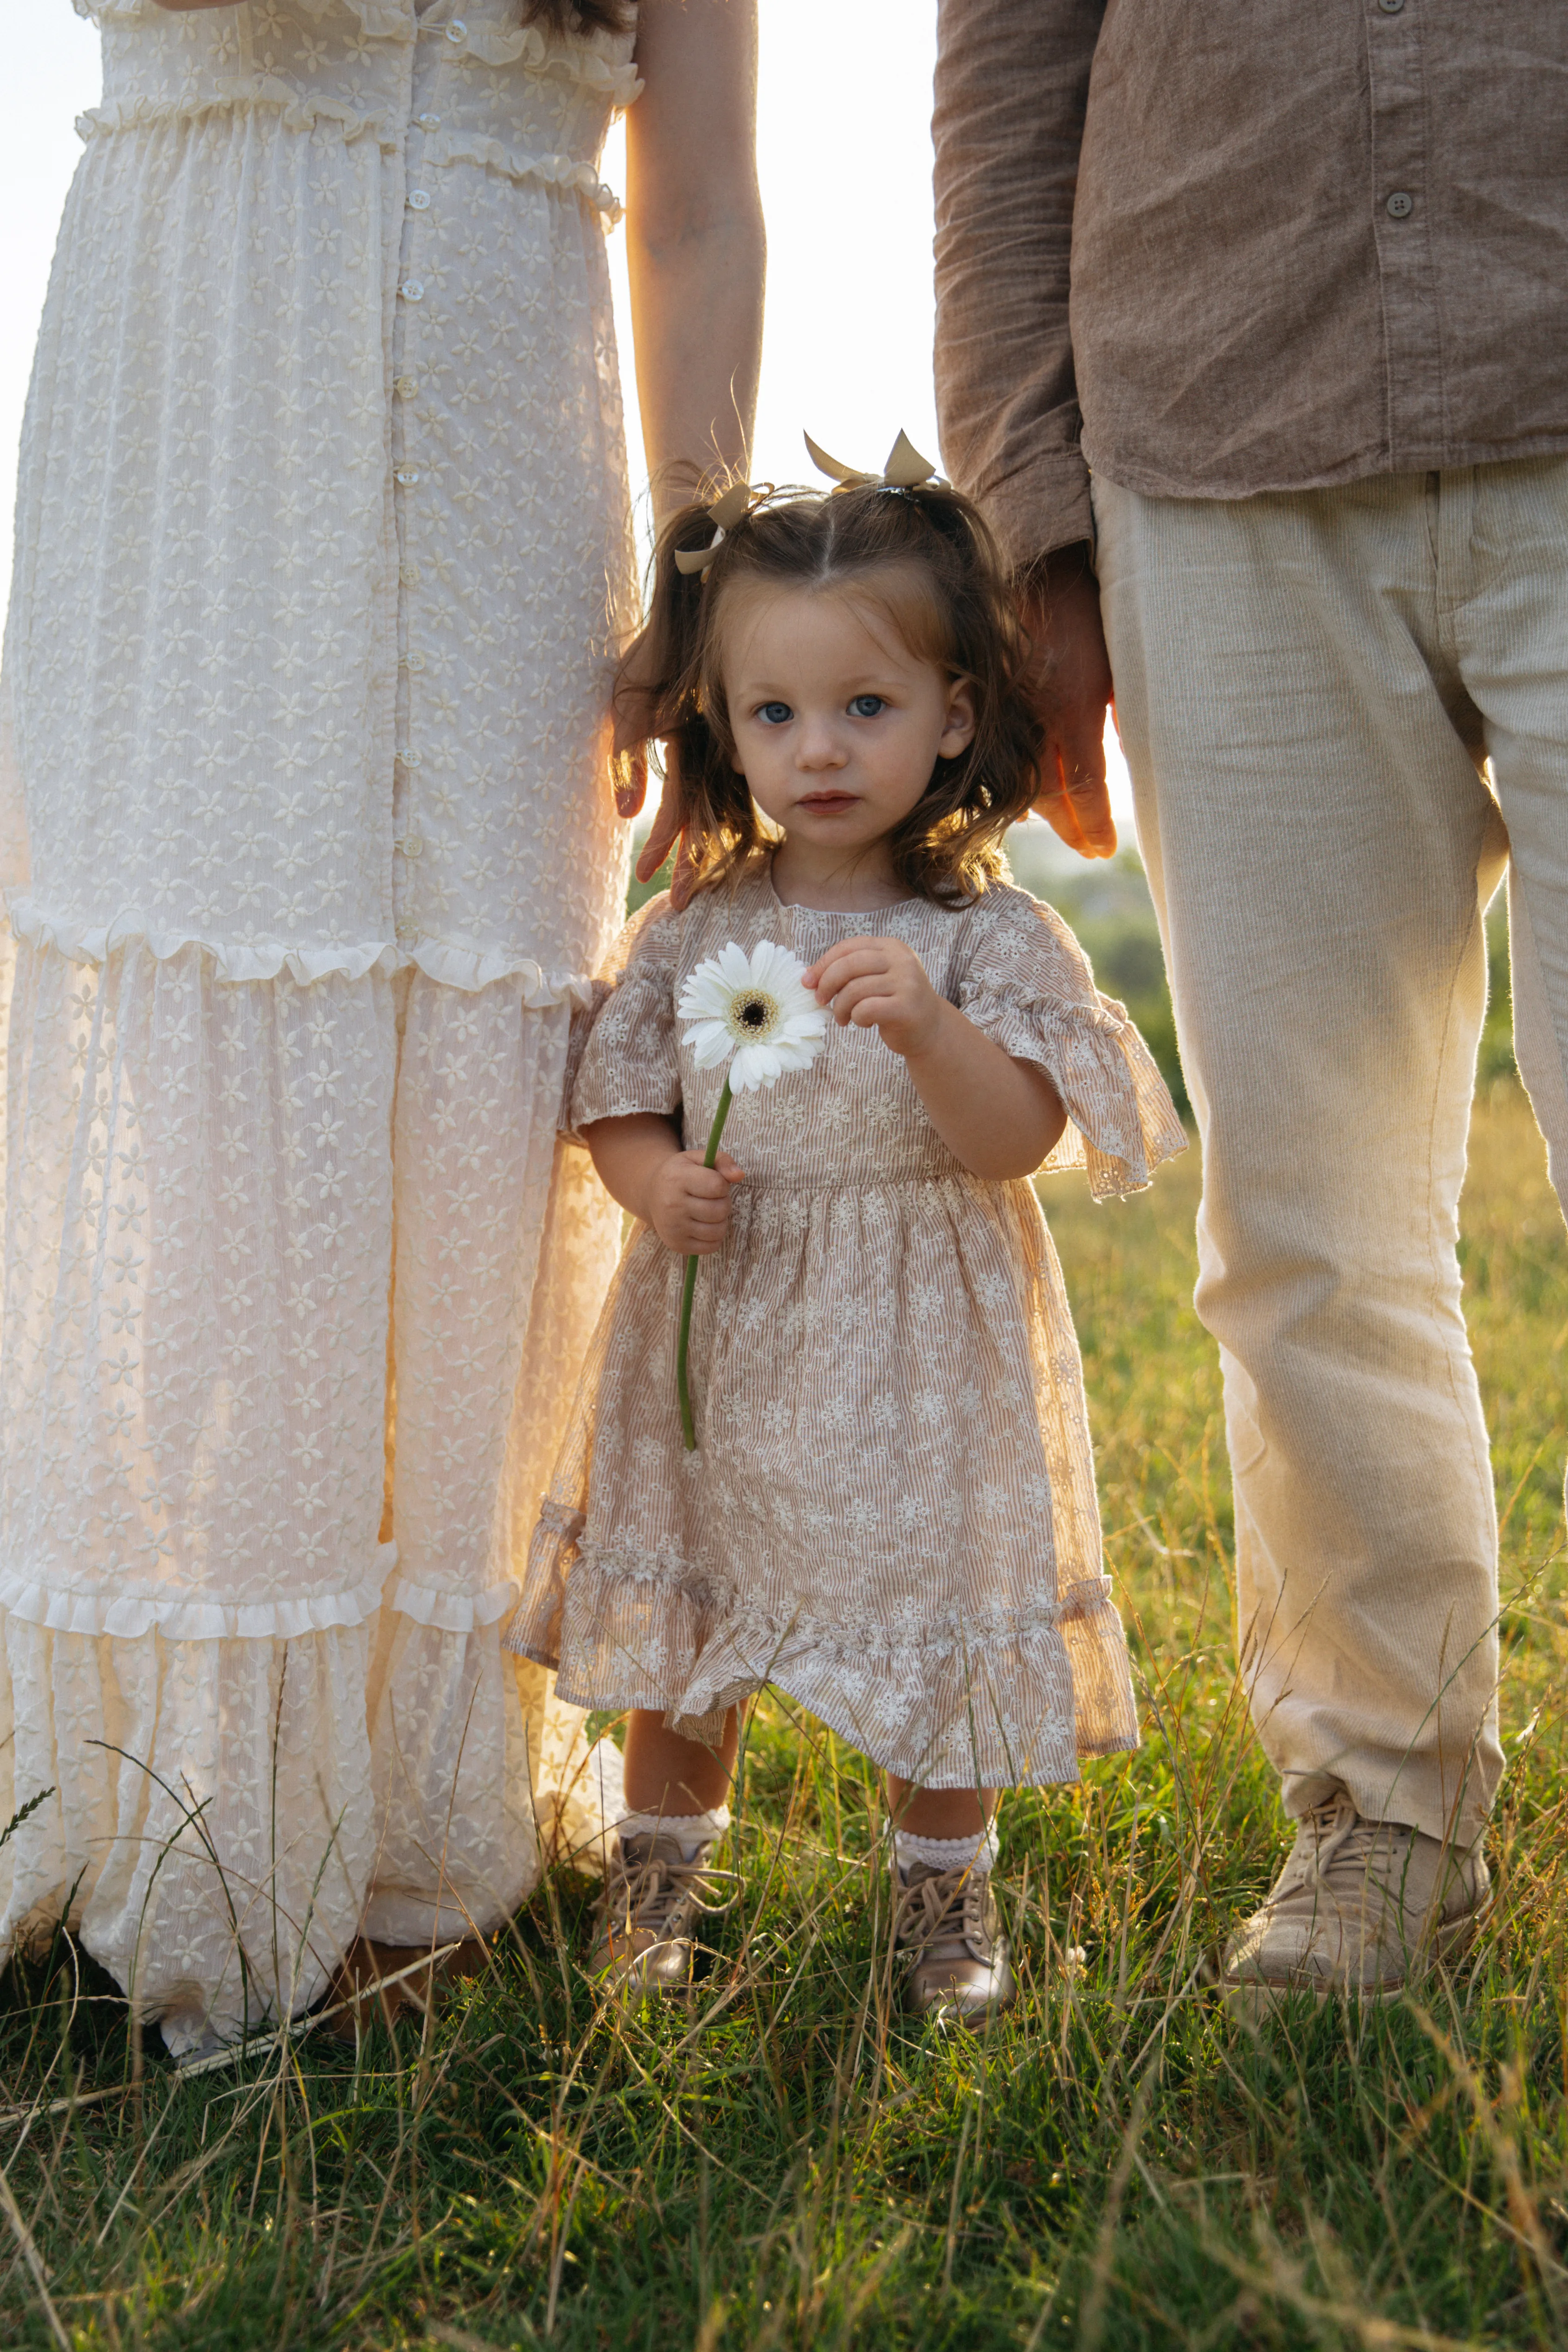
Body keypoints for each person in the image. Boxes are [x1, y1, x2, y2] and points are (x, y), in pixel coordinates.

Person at [0, 0, 762, 2061]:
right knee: (213, 1091)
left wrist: (701, 602)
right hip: (199, 431)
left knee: (483, 1085)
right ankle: (202, 1805)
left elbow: (697, 209)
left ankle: (418, 1811)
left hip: (521, 472)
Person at [930, 0, 1568, 2009]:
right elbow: (1007, 69)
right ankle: (1386, 1809)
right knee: (1304, 1211)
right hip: (1214, 434)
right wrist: (1029, 511)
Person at [504, 453, 1185, 2021]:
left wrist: (937, 1030)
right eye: (775, 715)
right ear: (725, 725)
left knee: (937, 1608)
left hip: (921, 1348)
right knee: (695, 1603)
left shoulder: (988, 936)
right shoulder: (695, 923)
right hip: (730, 1325)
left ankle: (944, 1894)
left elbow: (1019, 1137)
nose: (817, 750)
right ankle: (662, 1869)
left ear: (953, 713)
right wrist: (650, 1180)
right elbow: (620, 1091)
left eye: (864, 708)